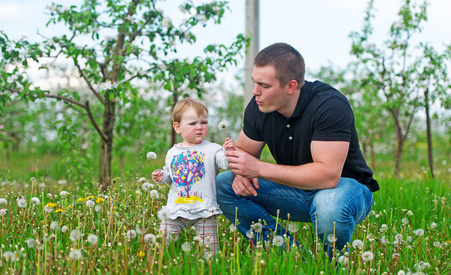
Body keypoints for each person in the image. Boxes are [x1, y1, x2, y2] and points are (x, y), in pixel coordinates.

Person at [216, 43, 379, 257]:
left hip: (345, 191)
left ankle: (335, 268)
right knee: (224, 185)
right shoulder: (259, 107)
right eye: (254, 82)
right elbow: (245, 153)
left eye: (264, 85)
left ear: (291, 86)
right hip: (294, 190)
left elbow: (328, 176)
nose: (255, 92)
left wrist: (257, 169)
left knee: (329, 205)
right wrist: (240, 173)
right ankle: (292, 256)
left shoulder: (329, 105)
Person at [152, 97, 235, 255]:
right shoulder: (172, 153)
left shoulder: (213, 149)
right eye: (192, 123)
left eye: (204, 122)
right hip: (176, 210)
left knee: (210, 250)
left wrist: (230, 152)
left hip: (205, 210)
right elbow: (170, 177)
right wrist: (161, 176)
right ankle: (156, 265)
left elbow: (226, 164)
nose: (199, 127)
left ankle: (212, 272)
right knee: (161, 244)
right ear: (178, 127)